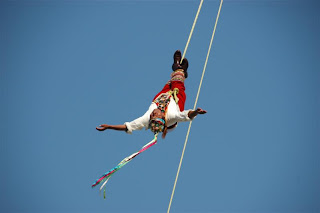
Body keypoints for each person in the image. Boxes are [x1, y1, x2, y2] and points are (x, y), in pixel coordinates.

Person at [96, 50, 207, 138]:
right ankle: (178, 68)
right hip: (177, 99)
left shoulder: (147, 119)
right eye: (156, 115)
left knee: (170, 83)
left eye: (152, 115)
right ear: (162, 117)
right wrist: (196, 112)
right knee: (178, 82)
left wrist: (109, 127)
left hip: (162, 97)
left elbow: (128, 126)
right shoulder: (171, 117)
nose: (153, 113)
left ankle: (180, 70)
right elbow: (185, 116)